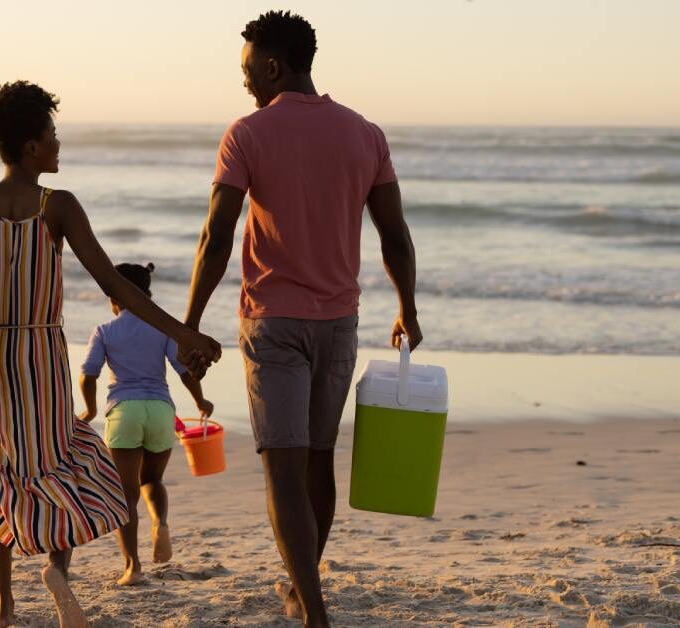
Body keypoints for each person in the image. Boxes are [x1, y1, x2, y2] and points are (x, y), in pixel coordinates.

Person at [0, 81, 221, 628]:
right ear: (30, 147)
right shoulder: (59, 206)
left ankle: (3, 604)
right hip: (42, 359)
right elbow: (118, 288)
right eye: (52, 135)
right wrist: (183, 335)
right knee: (61, 465)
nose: (58, 144)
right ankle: (58, 573)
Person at [180, 11, 422, 627]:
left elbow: (215, 236)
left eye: (246, 71)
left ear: (272, 66)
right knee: (317, 460)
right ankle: (302, 588)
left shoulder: (247, 134)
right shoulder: (365, 134)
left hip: (274, 324)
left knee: (283, 469)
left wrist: (189, 323)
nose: (243, 84)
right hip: (339, 322)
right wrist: (407, 310)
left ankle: (313, 611)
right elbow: (395, 235)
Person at [77, 262, 214, 586]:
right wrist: (200, 401)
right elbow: (184, 370)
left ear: (115, 297)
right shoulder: (162, 329)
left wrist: (91, 408)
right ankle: (161, 523)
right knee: (152, 479)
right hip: (161, 410)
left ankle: (133, 566)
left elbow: (88, 374)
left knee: (125, 494)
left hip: (125, 410)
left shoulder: (105, 331)